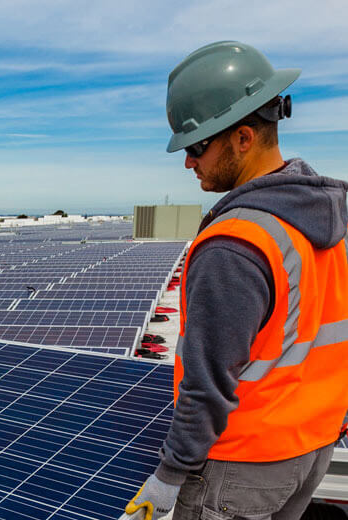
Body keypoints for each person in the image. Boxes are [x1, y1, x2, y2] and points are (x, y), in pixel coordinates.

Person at [122, 41, 348, 520]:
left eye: (197, 146)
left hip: (242, 463)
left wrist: (168, 476)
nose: (188, 162)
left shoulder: (236, 243)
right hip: (311, 446)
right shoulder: (323, 218)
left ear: (243, 138)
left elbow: (207, 385)